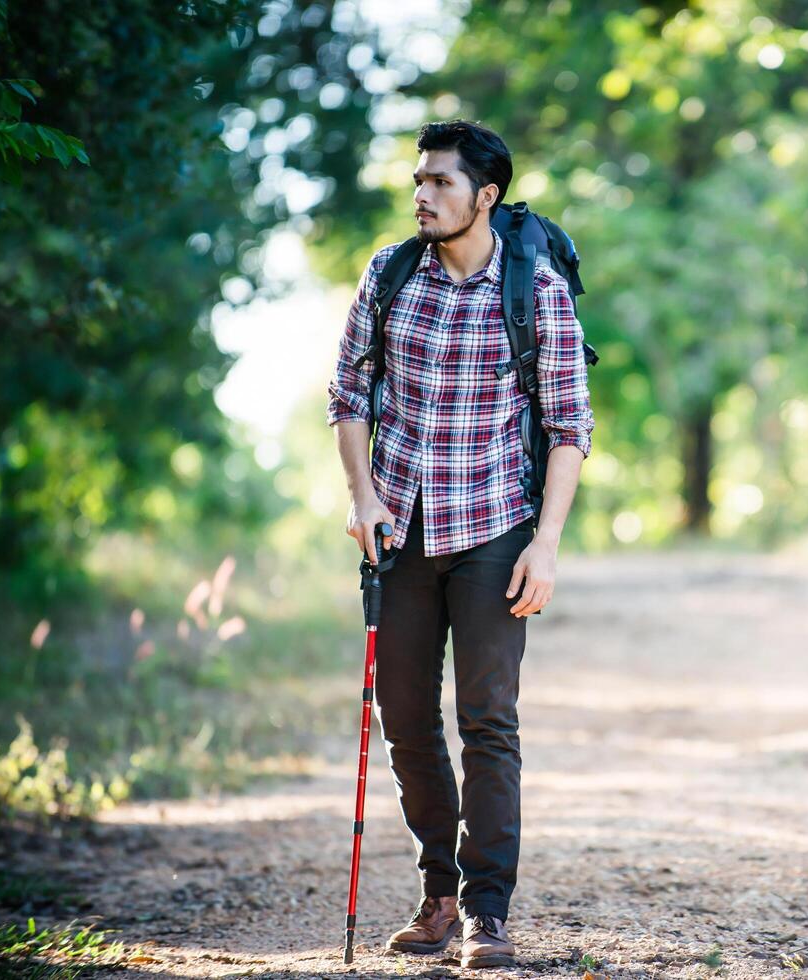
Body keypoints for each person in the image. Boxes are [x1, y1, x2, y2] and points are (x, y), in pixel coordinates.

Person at [326, 119, 594, 969]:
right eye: (418, 180)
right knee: (405, 719)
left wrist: (544, 545)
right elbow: (347, 395)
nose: (421, 196)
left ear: (485, 196)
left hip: (492, 529)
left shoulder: (534, 287)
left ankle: (486, 911)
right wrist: (360, 497)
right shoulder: (389, 273)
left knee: (487, 720)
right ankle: (436, 895)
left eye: (440, 182)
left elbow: (568, 426)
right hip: (399, 530)